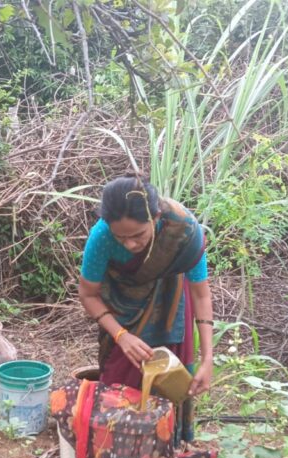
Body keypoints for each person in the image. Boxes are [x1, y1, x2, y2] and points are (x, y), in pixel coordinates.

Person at [77, 173, 214, 442]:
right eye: (121, 237)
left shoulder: (184, 232)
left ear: (157, 216)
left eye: (138, 235)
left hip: (170, 312)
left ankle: (163, 455)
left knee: (170, 383)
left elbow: (201, 295)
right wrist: (121, 336)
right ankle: (117, 450)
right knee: (118, 390)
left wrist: (208, 358)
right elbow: (88, 293)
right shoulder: (102, 236)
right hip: (121, 317)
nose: (130, 244)